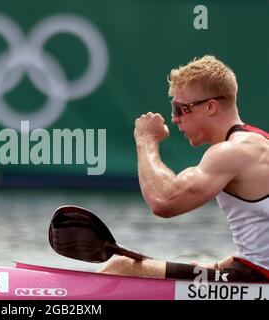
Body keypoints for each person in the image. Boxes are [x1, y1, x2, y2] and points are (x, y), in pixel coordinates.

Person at [98, 55, 269, 282]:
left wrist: (145, 139)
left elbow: (163, 201)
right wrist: (219, 266)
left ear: (210, 107)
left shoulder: (231, 153)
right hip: (253, 272)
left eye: (180, 108)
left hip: (257, 278)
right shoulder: (259, 143)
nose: (174, 118)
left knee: (121, 267)